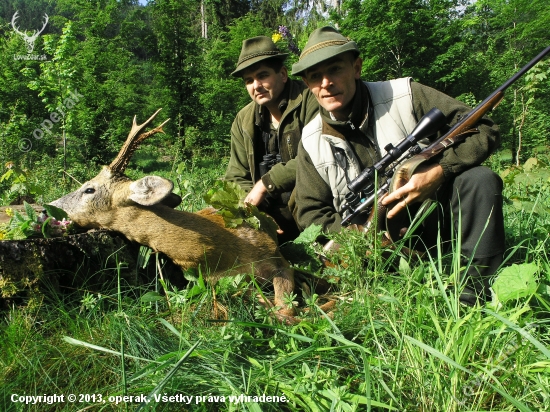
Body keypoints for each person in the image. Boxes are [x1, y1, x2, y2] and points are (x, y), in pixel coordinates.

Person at [291, 26, 505, 304]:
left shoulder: (405, 96)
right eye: (314, 76)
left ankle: (474, 289)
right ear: (307, 84)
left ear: (356, 68)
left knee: (480, 180)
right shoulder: (310, 140)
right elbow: (310, 213)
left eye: (334, 70)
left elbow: (483, 127)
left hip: (438, 223)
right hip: (375, 249)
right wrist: (358, 237)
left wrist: (439, 172)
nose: (325, 83)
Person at [225, 36, 319, 244]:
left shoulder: (309, 100)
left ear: (283, 74)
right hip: (267, 214)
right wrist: (256, 215)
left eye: (262, 76)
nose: (256, 86)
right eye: (249, 80)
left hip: (311, 207)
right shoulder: (243, 120)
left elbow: (317, 156)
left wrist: (265, 184)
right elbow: (236, 176)